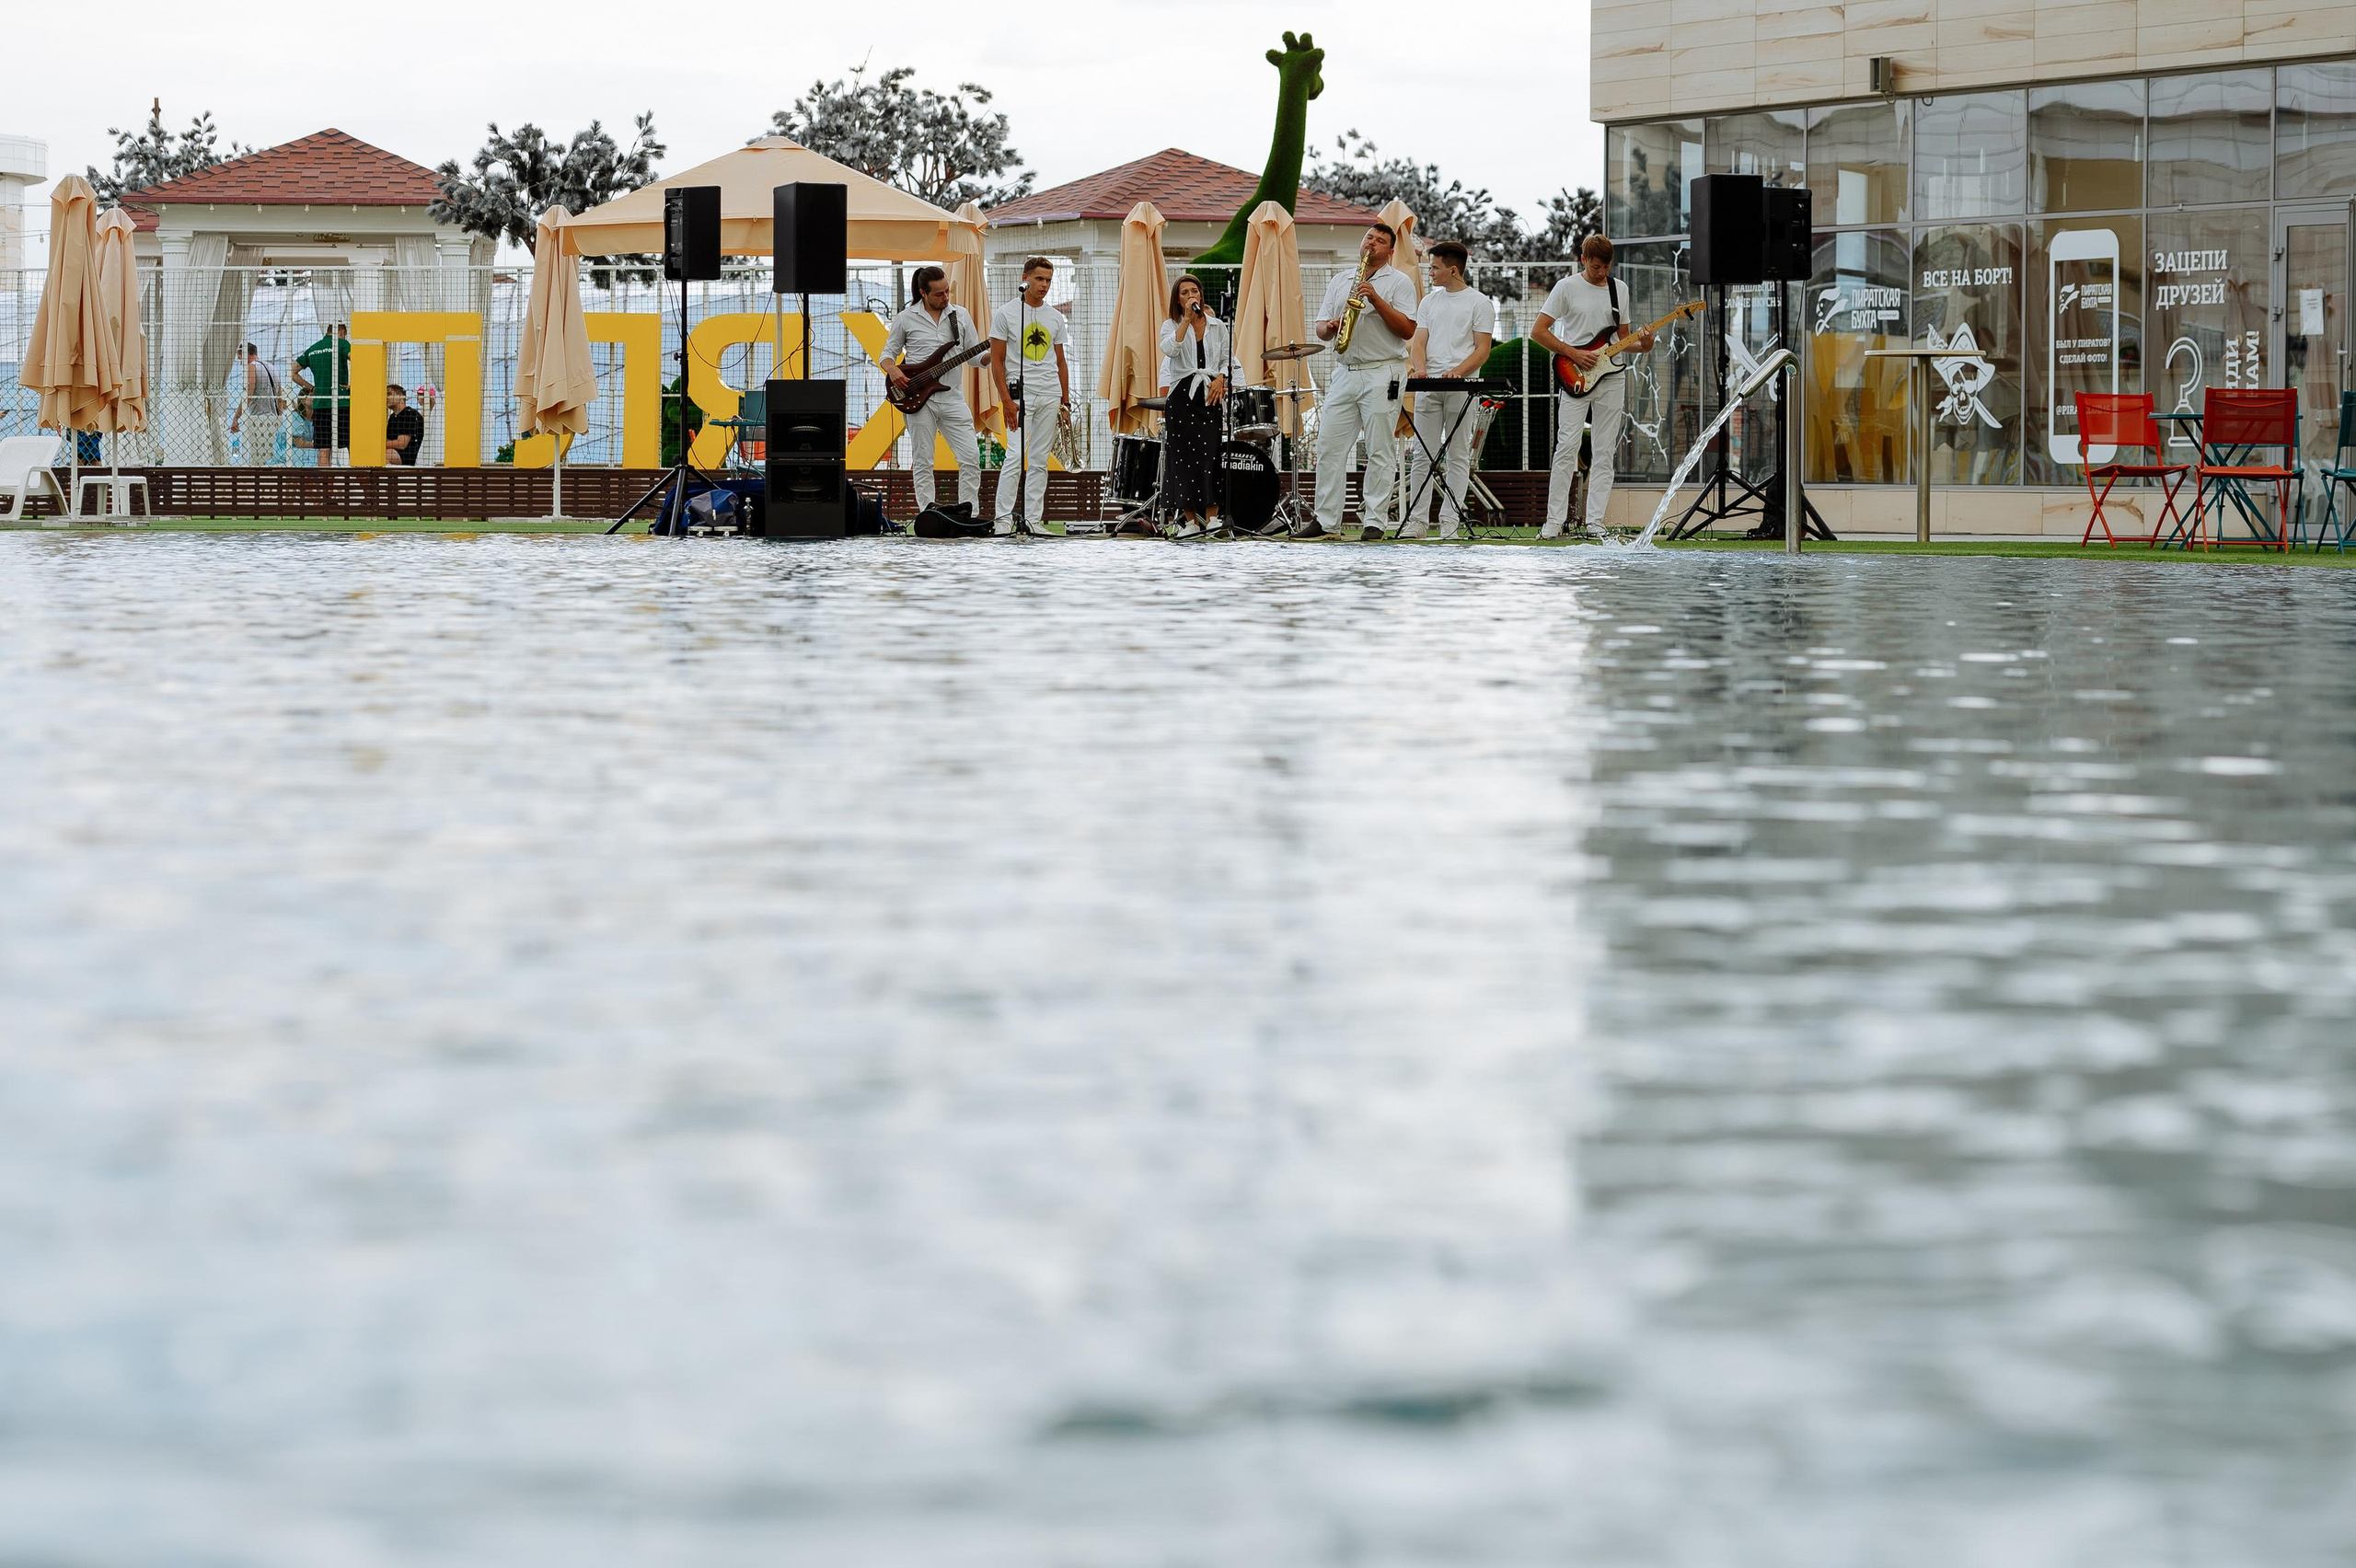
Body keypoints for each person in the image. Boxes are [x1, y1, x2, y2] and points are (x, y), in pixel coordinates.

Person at [1533, 235, 1654, 539]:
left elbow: (1623, 340)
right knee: (1567, 447)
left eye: (1607, 267)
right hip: (1574, 374)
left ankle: (1595, 522)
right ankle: (1553, 521)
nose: (1602, 273)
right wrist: (1573, 353)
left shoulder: (1619, 289)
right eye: (1597, 266)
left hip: (1612, 377)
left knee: (1604, 451)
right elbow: (1538, 331)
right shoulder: (1566, 288)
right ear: (1583, 260)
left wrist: (1646, 344)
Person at [1309, 223, 1418, 540]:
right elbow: (1320, 329)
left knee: (1379, 448)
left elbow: (1408, 329)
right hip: (1345, 370)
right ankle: (1326, 522)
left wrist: (1376, 299)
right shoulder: (1341, 279)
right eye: (1369, 237)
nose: (1372, 243)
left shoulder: (1400, 282)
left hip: (1383, 370)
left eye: (1380, 241)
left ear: (1390, 251)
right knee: (1329, 446)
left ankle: (1375, 522)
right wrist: (1330, 327)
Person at [1403, 241, 1497, 539]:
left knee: (1457, 455)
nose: (1430, 272)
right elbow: (1419, 342)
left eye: (1434, 267)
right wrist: (1419, 368)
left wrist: (1459, 371)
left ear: (1453, 269)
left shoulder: (1480, 303)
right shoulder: (1429, 302)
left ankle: (1450, 523)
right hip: (1429, 386)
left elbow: (1483, 350)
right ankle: (1417, 522)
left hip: (1463, 389)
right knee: (1422, 454)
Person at [882, 266, 981, 515]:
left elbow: (975, 357)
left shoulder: (960, 315)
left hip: (953, 397)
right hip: (918, 399)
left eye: (947, 291)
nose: (946, 297)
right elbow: (887, 355)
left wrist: (992, 357)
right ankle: (928, 514)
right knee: (923, 461)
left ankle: (970, 514)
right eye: (938, 294)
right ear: (923, 293)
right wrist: (894, 371)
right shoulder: (906, 318)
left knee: (970, 458)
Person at [988, 257, 1071, 536]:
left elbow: (1061, 361)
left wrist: (1065, 400)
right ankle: (1002, 519)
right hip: (1018, 392)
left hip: (1049, 393)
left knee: (1039, 459)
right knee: (1015, 455)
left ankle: (1034, 519)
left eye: (1048, 280)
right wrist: (1005, 400)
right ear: (1026, 278)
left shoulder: (1055, 317)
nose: (1044, 285)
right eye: (1039, 279)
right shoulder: (1006, 313)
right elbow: (997, 361)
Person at [1156, 274, 1231, 540]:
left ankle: (1212, 518)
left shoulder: (1217, 326)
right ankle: (1189, 521)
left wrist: (1220, 379)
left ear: (1201, 295)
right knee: (1184, 460)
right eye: (1185, 292)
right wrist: (1186, 321)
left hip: (1209, 393)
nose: (1191, 296)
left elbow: (1226, 359)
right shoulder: (1171, 325)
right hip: (1182, 397)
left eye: (1194, 291)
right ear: (1178, 299)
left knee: (1211, 456)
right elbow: (1170, 350)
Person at [291, 324, 351, 468]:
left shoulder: (313, 349)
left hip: (321, 405)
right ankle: (352, 484)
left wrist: (311, 388)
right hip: (341, 403)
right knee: (351, 444)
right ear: (342, 332)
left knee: (324, 449)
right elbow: (359, 359)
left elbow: (292, 372)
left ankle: (324, 487)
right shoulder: (342, 343)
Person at [228, 343, 284, 466]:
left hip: (258, 419)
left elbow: (249, 395)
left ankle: (258, 481)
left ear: (244, 355)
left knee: (257, 457)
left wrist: (236, 417)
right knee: (271, 456)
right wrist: (280, 418)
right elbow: (280, 398)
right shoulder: (272, 367)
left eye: (240, 358)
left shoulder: (251, 367)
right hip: (274, 419)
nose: (240, 363)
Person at [385, 385, 425, 467]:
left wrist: (380, 444)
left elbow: (401, 444)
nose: (386, 398)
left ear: (400, 396)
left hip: (408, 457)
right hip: (394, 453)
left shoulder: (410, 414)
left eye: (389, 394)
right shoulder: (392, 417)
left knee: (381, 456)